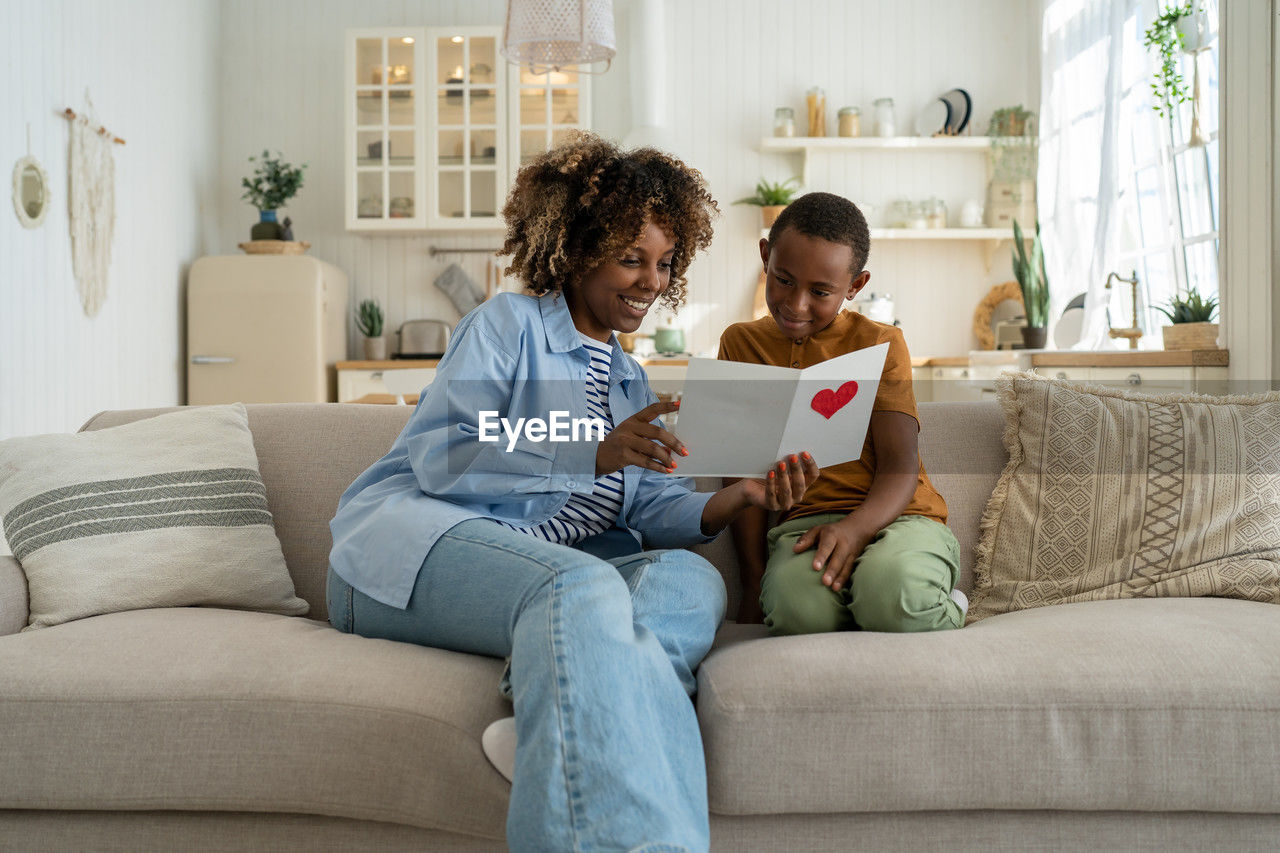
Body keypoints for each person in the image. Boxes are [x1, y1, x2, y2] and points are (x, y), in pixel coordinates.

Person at [326, 133, 819, 852]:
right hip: (413, 552)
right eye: (631, 257)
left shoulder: (630, 382)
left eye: (665, 263)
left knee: (689, 582)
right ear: (577, 248)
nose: (652, 280)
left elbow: (651, 508)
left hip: (558, 576)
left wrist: (738, 496)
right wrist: (588, 450)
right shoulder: (506, 326)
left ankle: (552, 707)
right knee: (579, 590)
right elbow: (441, 453)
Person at [717, 191, 967, 635]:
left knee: (895, 596)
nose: (796, 304)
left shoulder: (882, 343)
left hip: (900, 518)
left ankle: (935, 603)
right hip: (805, 526)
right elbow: (741, 475)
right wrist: (753, 579)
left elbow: (900, 467)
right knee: (797, 614)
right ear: (765, 257)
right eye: (784, 280)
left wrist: (854, 530)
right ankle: (858, 603)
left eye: (820, 292)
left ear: (855, 286)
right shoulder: (740, 345)